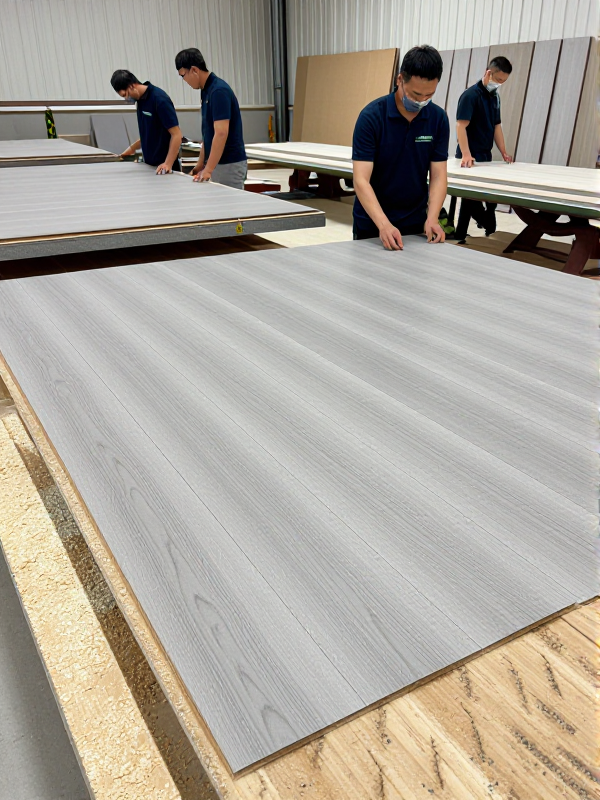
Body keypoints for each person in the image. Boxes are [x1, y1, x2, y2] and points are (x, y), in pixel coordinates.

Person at [352, 45, 449, 251]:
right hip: (373, 224)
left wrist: (432, 218)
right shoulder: (372, 117)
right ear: (399, 80)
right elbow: (361, 179)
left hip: (415, 222)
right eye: (415, 94)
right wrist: (383, 224)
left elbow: (439, 175)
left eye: (429, 95)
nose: (421, 101)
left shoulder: (438, 119)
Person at [454, 56, 513, 243]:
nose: (500, 84)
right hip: (468, 156)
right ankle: (472, 230)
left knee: (480, 198)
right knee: (469, 198)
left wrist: (503, 152)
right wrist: (466, 154)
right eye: (499, 79)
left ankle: (471, 230)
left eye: (504, 81)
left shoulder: (495, 97)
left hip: (485, 155)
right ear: (489, 73)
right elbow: (461, 126)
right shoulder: (470, 96)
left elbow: (497, 126)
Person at [175, 48, 247, 190]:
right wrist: (200, 165)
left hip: (228, 164)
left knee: (230, 203)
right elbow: (208, 134)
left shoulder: (218, 91)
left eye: (183, 75)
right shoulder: (206, 91)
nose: (184, 81)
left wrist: (208, 169)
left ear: (194, 70)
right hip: (217, 163)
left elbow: (221, 133)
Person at [110, 70, 182, 175]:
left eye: (126, 94)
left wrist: (167, 164)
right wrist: (128, 151)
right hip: (150, 166)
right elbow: (149, 133)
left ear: (131, 86)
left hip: (165, 168)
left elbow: (177, 134)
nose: (126, 98)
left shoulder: (159, 99)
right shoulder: (140, 102)